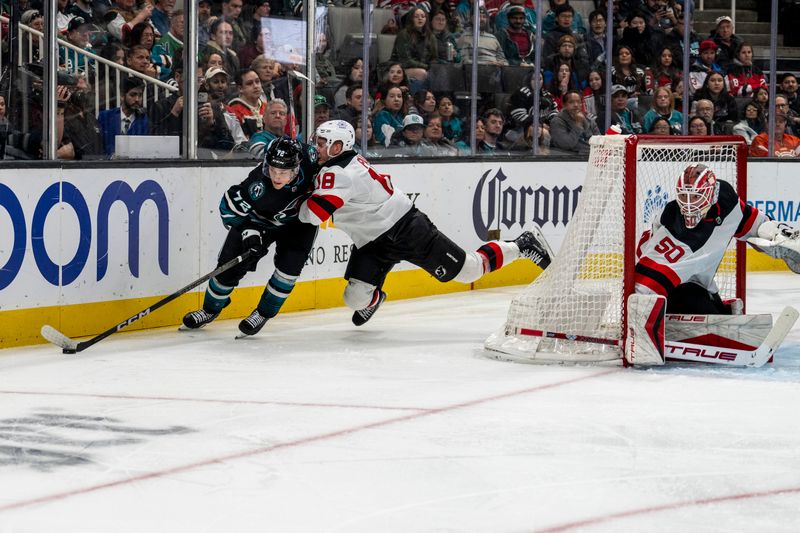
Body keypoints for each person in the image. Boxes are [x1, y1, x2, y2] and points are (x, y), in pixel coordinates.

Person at [297, 120, 553, 325]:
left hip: (408, 229)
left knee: (470, 271)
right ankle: (376, 297)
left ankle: (522, 244)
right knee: (354, 299)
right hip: (372, 243)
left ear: (339, 147)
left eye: (322, 143)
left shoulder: (340, 173)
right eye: (317, 142)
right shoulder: (336, 165)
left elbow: (311, 216)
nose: (316, 147)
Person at [182, 138, 320, 336]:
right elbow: (228, 207)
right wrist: (251, 235)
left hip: (300, 224)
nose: (276, 177)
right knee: (228, 267)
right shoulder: (258, 185)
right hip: (259, 222)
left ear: (296, 169)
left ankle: (263, 313)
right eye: (272, 170)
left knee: (289, 269)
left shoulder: (310, 158)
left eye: (283, 172)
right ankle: (209, 310)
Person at [635, 163, 799, 313]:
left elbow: (752, 225)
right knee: (678, 300)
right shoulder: (673, 223)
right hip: (669, 285)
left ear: (711, 193)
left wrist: (778, 236)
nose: (689, 205)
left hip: (696, 283)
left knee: (713, 310)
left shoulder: (726, 200)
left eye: (696, 196)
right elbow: (644, 287)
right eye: (684, 196)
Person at [97, 76, 149, 157]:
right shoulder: (105, 117)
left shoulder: (145, 120)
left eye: (140, 95)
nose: (137, 99)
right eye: (133, 95)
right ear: (122, 96)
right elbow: (98, 147)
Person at [549, 90, 599, 155]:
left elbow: (599, 141)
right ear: (564, 105)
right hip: (566, 160)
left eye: (578, 102)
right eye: (571, 102)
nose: (576, 105)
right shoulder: (557, 122)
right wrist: (578, 125)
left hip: (589, 157)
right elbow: (566, 145)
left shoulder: (589, 120)